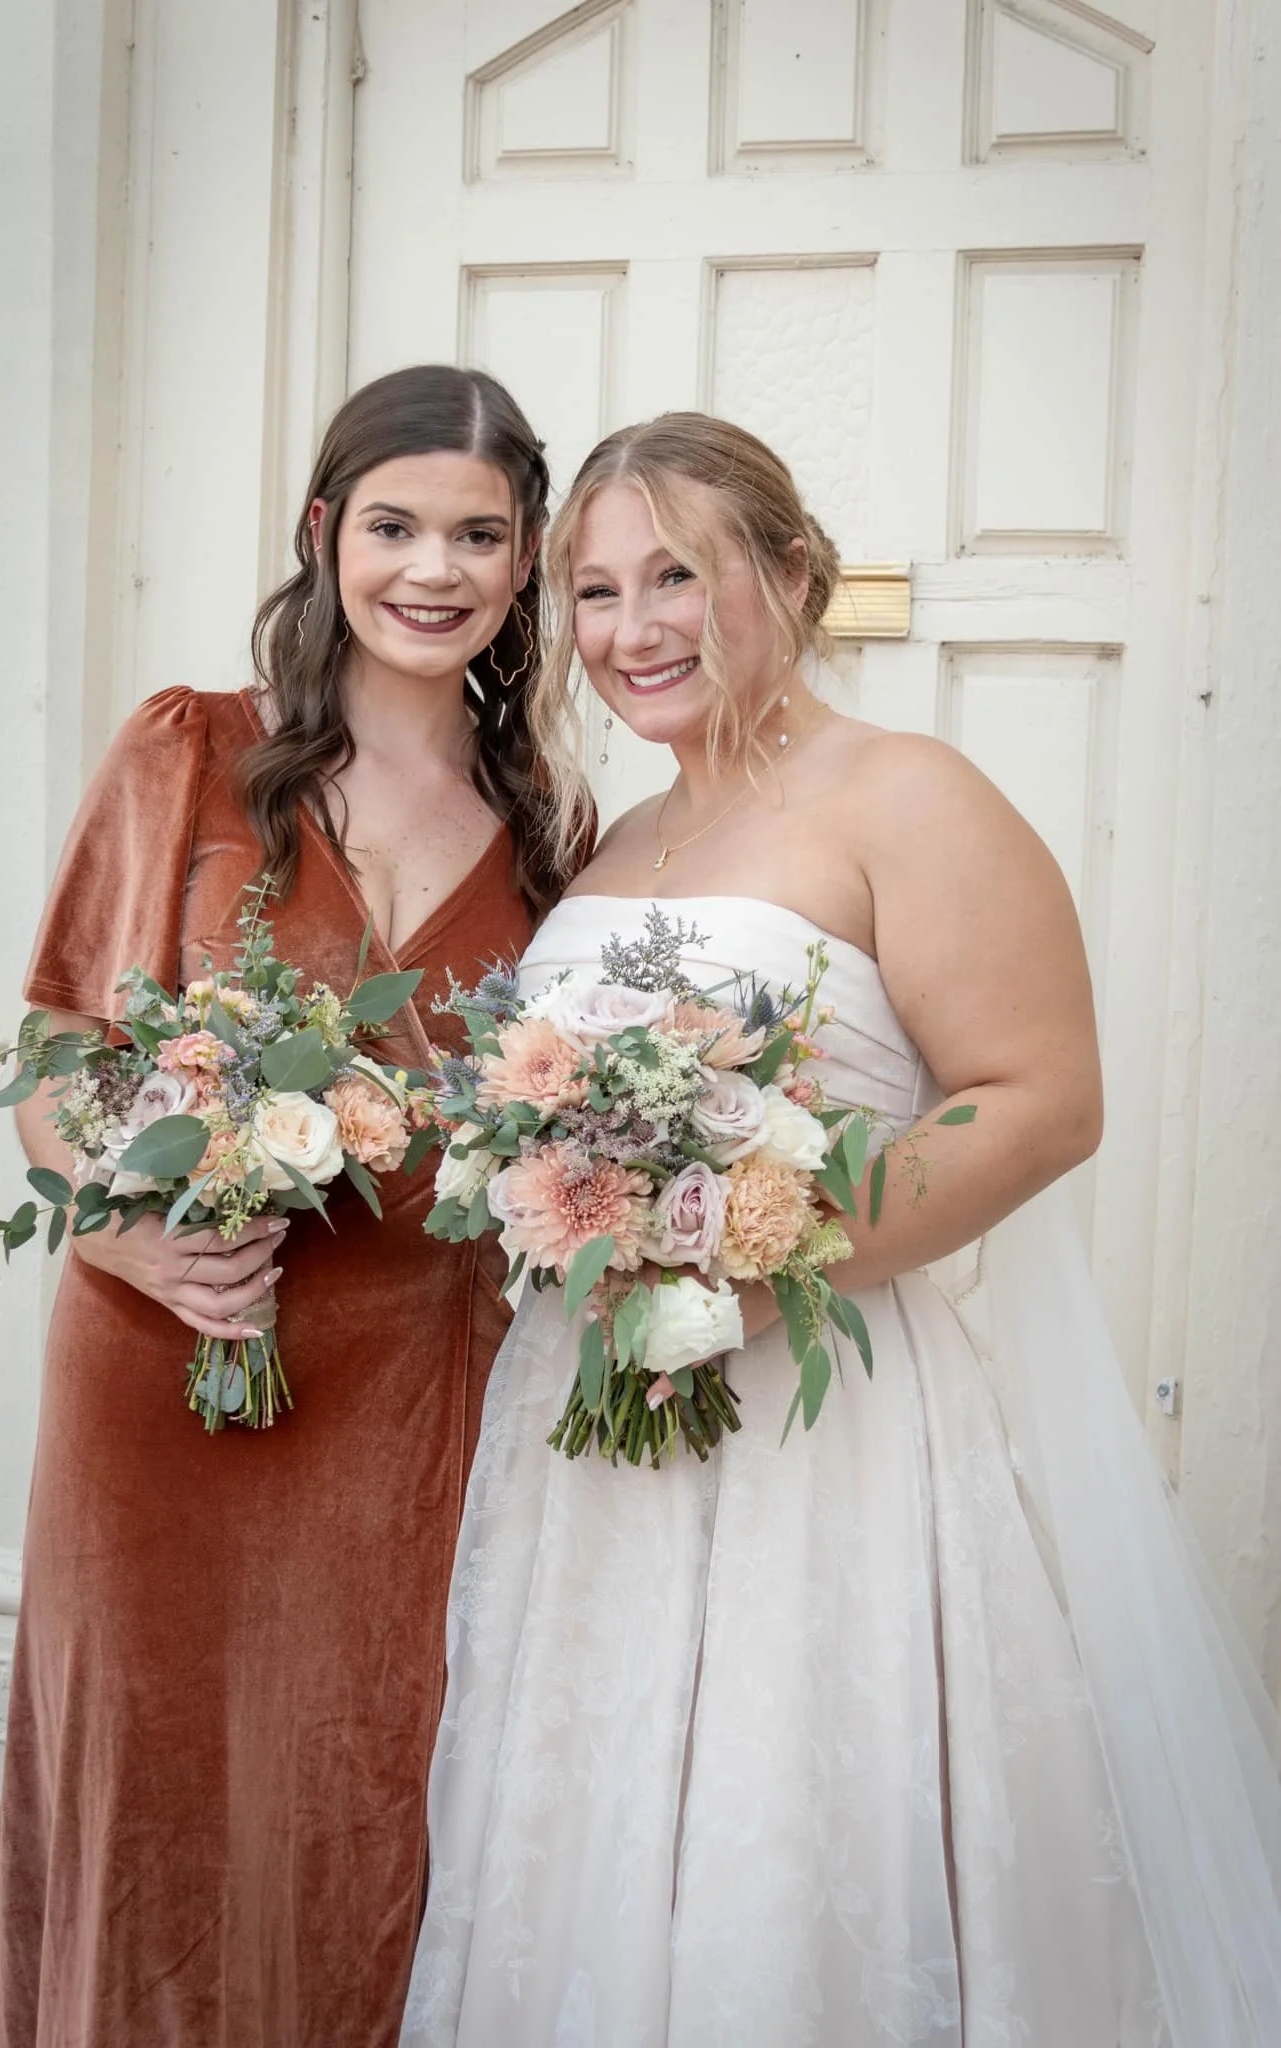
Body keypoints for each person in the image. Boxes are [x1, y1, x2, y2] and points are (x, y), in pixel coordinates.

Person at [403, 414, 1281, 2047]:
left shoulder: (907, 793)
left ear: (789, 576)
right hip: (594, 1433)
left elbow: (1038, 1097)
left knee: (790, 1815)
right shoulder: (618, 838)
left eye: (678, 573)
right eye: (593, 591)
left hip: (817, 1419)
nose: (631, 627)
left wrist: (749, 1245)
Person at [0, 365, 587, 2047]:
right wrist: (129, 1232)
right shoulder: (193, 749)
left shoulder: (547, 839)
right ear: (325, 535)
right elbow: (55, 1047)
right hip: (158, 1365)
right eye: (393, 525)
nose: (432, 570)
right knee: (146, 1791)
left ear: (526, 562)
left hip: (400, 1405)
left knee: (353, 1794)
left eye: (479, 534)